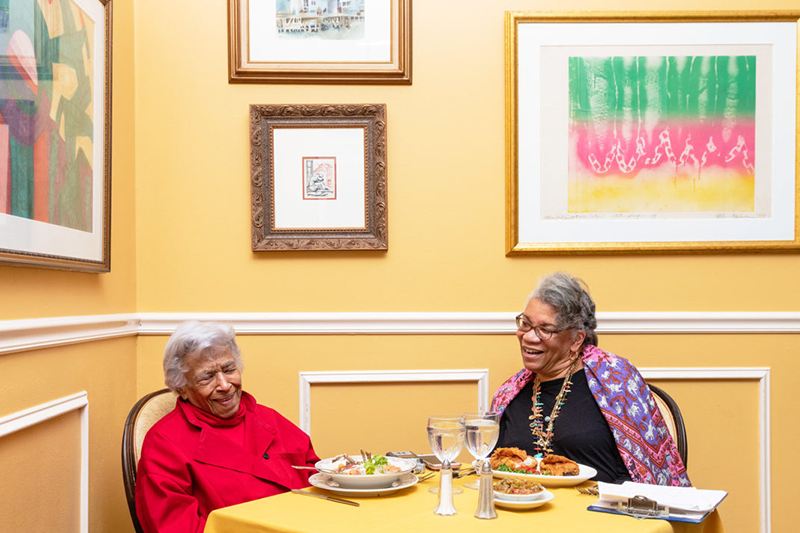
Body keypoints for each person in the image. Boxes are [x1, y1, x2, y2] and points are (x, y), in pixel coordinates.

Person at [491, 272, 690, 486]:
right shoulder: (509, 393)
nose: (529, 337)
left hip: (602, 504)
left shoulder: (616, 381)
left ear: (576, 340)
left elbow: (638, 476)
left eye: (545, 330)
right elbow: (491, 468)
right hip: (520, 503)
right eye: (526, 324)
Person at [135, 321, 320, 533]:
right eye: (207, 377)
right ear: (181, 387)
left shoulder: (268, 418)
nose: (224, 385)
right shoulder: (163, 445)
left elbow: (317, 479)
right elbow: (175, 527)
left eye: (229, 369)